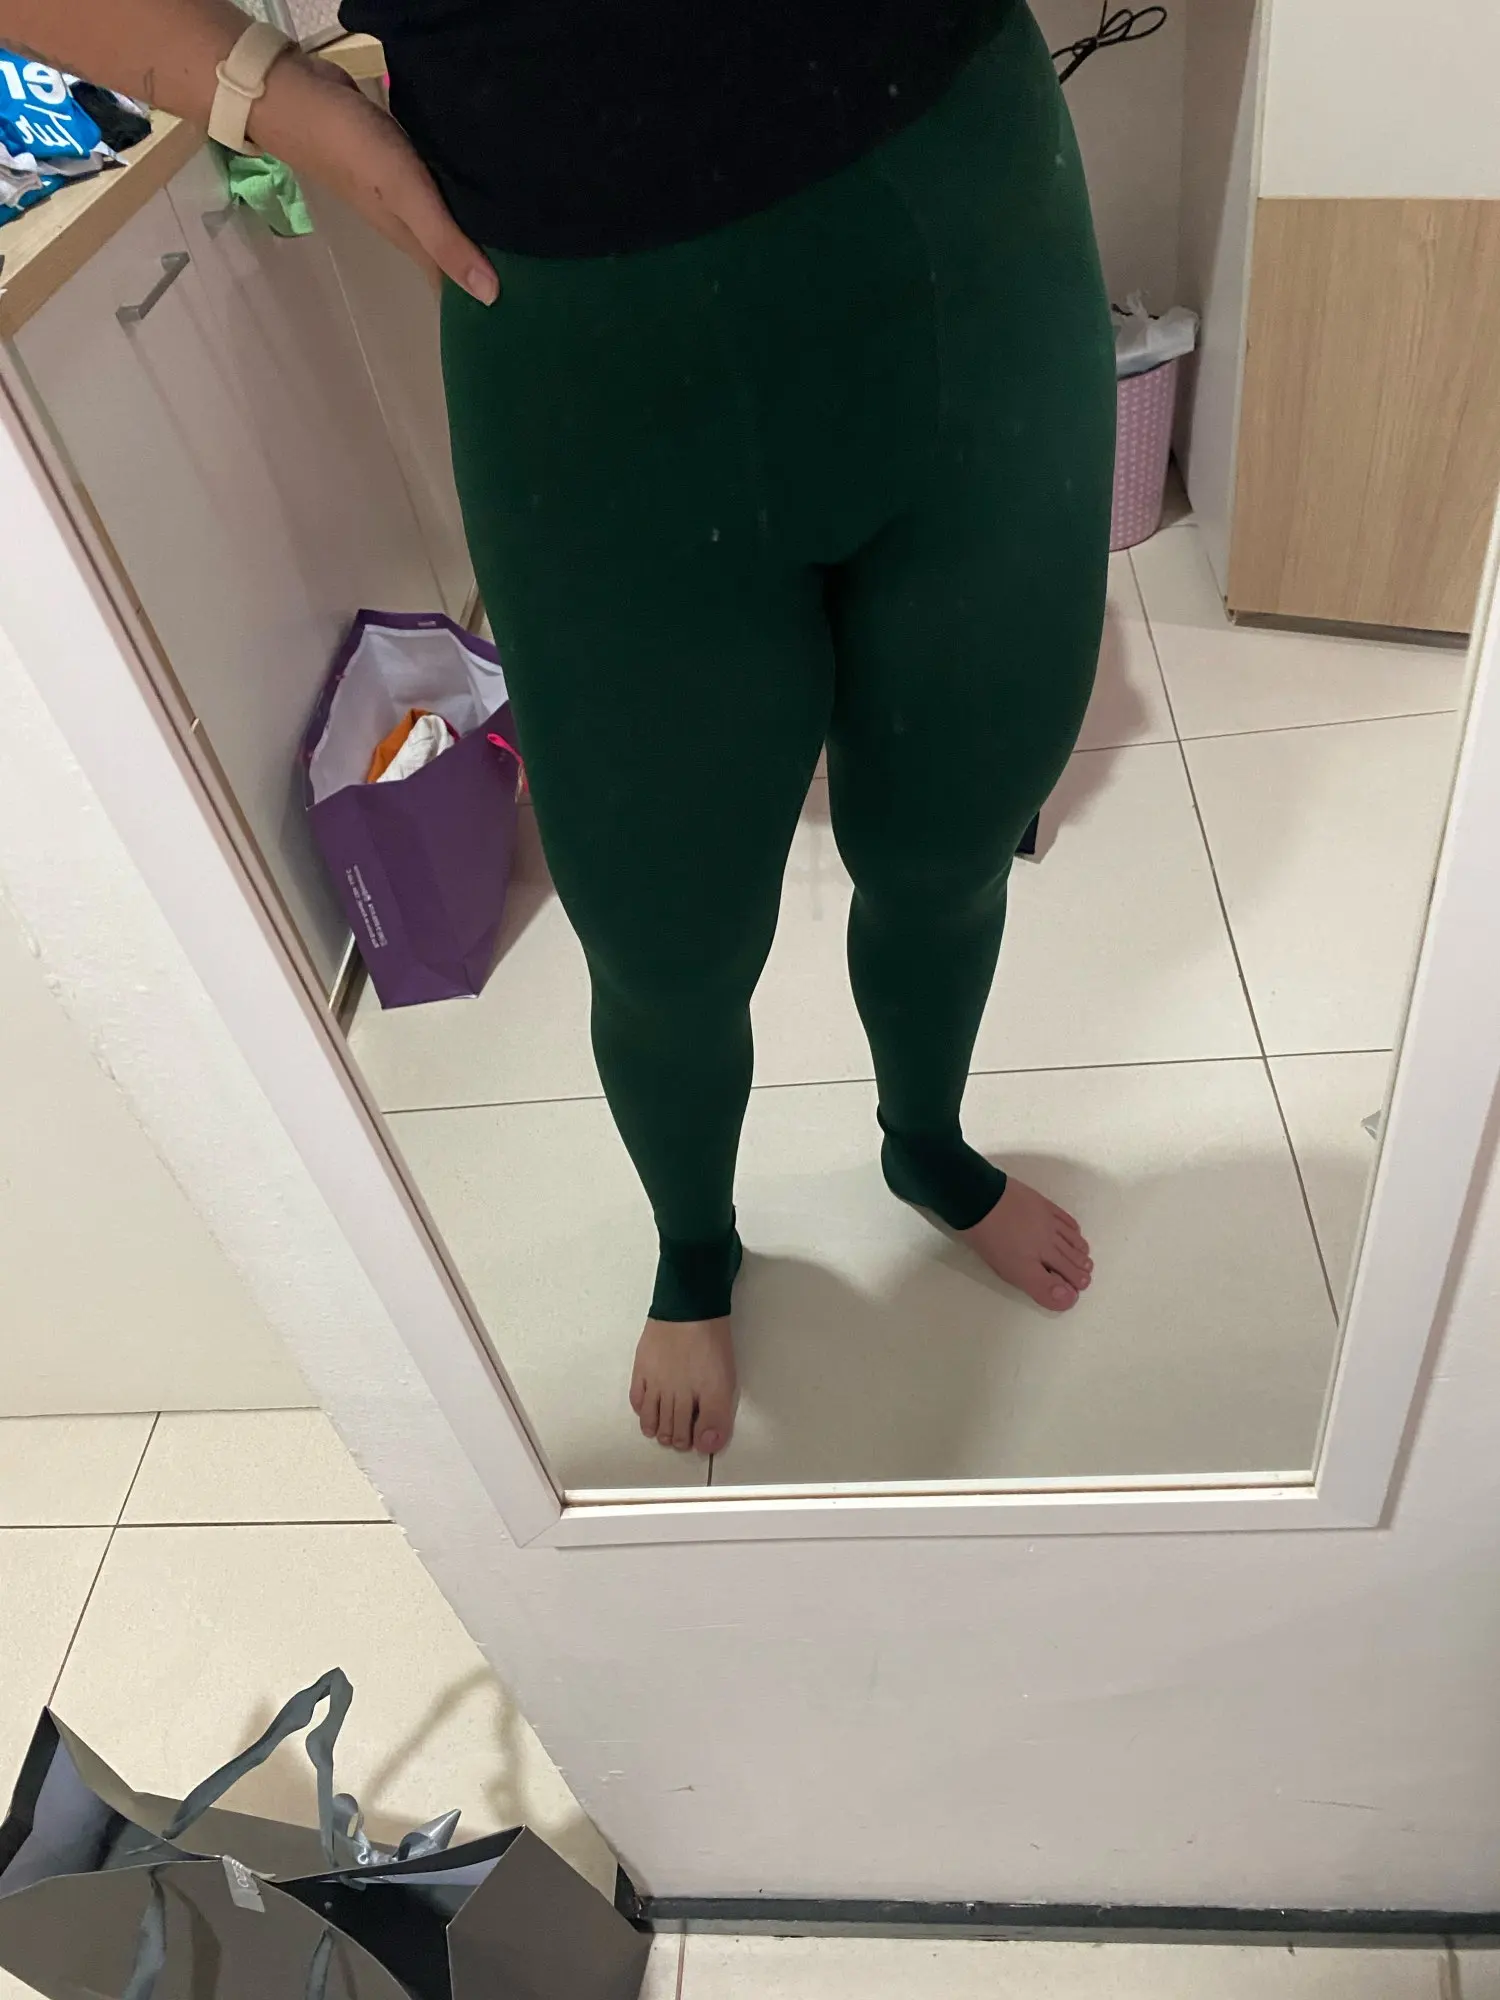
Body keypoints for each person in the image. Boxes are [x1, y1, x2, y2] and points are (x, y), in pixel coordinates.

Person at [9, 0, 1110, 1460]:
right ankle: (695, 1245)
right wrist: (279, 102)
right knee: (663, 938)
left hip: (964, 219)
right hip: (582, 334)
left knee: (958, 835)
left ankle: (928, 1147)